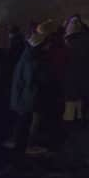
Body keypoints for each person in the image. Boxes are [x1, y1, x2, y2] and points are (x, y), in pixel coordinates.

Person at [10, 20, 58, 161]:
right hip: (29, 96)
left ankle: (21, 150)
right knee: (26, 123)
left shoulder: (28, 55)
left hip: (24, 95)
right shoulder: (34, 59)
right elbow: (35, 78)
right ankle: (23, 151)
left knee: (24, 123)